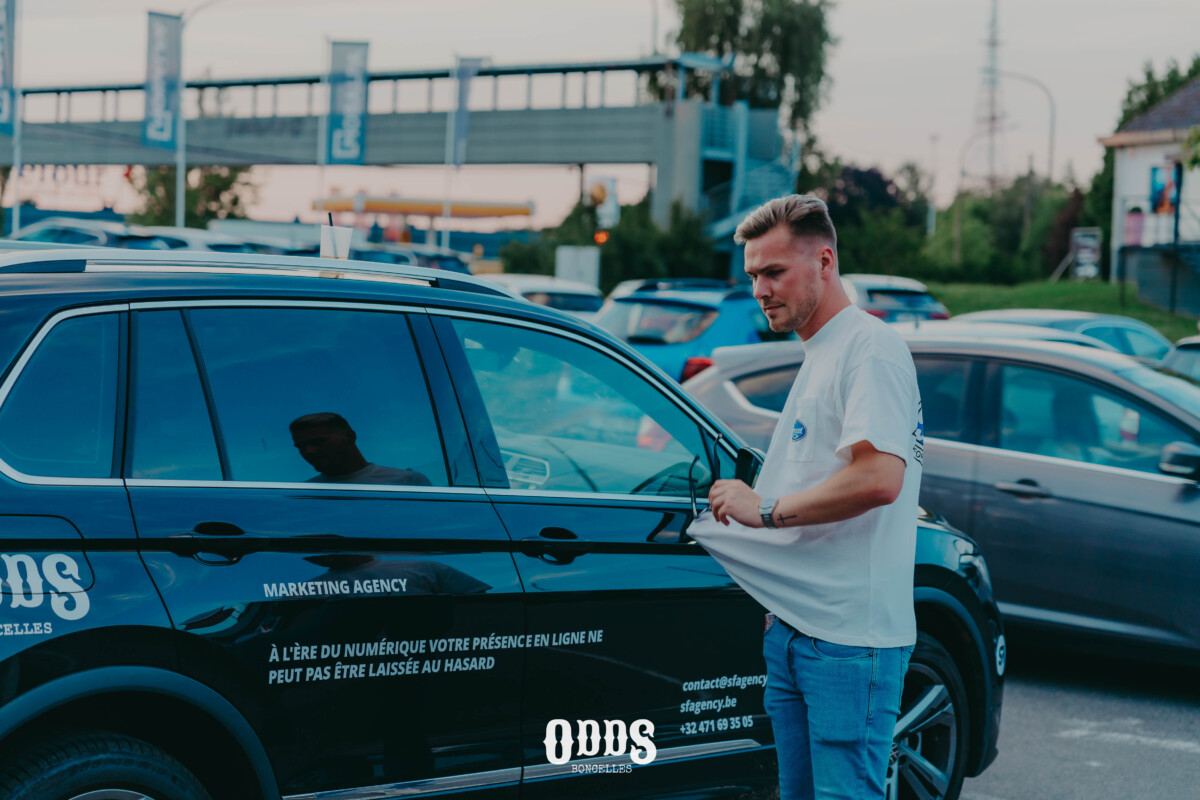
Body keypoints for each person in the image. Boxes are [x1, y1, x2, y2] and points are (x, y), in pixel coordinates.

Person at [688, 194, 924, 800]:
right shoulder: (821, 351)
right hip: (798, 629)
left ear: (824, 261)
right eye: (752, 276)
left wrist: (762, 510)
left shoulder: (870, 348)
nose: (760, 290)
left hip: (848, 641)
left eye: (774, 272)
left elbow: (879, 478)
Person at [289, 412, 431, 486]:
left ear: (350, 437)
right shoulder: (305, 494)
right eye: (301, 447)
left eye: (318, 442)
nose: (309, 451)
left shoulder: (407, 482)